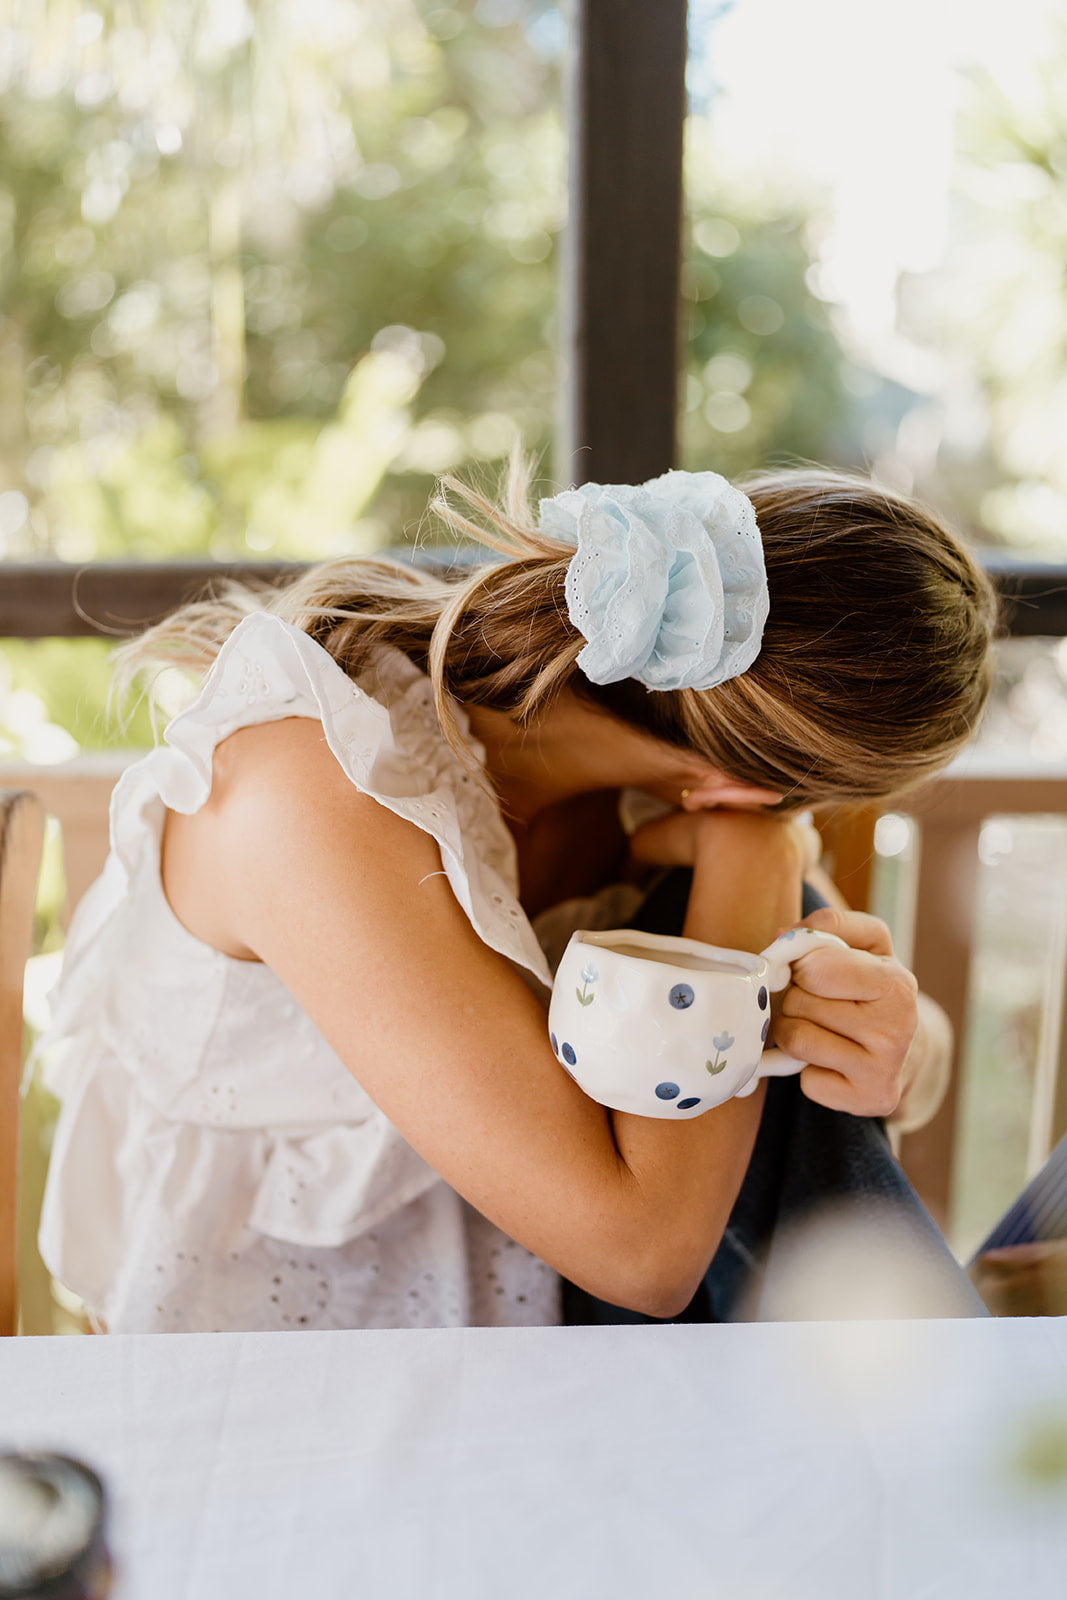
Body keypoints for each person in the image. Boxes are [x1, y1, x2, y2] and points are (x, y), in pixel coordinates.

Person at [36, 460, 997, 1333]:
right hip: (270, 1359)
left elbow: (887, 1031)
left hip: (526, 1334)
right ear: (752, 782)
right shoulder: (322, 778)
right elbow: (646, 1256)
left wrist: (902, 1054)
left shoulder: (638, 773)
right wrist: (757, 852)